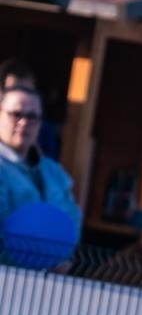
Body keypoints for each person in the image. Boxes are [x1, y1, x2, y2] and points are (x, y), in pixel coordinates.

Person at [0, 85, 80, 238]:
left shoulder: (54, 172)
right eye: (16, 114)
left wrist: (60, 254)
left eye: (32, 117)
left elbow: (72, 220)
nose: (23, 122)